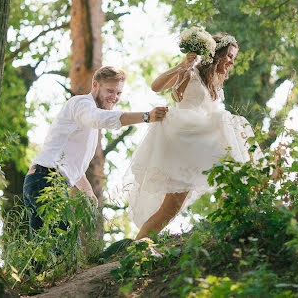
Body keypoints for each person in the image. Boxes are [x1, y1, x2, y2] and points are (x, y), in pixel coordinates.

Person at [126, 33, 258, 240]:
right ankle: (135, 252)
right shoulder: (191, 71)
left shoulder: (214, 81)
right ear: (216, 54)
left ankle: (137, 246)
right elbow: (156, 86)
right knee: (231, 141)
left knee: (170, 209)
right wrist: (183, 65)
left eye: (234, 58)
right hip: (184, 136)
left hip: (199, 140)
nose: (232, 62)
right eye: (230, 56)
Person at [23, 66, 169, 235]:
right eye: (110, 91)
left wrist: (88, 191)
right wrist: (146, 116)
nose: (114, 97)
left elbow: (73, 166)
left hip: (40, 180)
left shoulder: (88, 124)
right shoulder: (81, 104)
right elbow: (98, 119)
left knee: (43, 251)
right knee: (65, 243)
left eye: (118, 93)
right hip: (46, 181)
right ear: (95, 85)